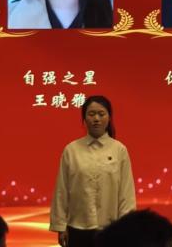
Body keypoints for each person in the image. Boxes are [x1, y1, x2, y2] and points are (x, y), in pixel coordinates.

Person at [50, 95, 136, 247]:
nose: (96, 119)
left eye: (101, 114)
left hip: (110, 229)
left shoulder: (119, 150)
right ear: (84, 118)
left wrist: (126, 227)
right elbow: (61, 191)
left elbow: (126, 193)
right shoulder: (71, 150)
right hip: (77, 228)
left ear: (109, 118)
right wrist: (60, 226)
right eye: (91, 114)